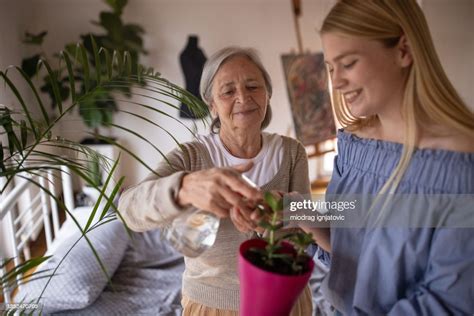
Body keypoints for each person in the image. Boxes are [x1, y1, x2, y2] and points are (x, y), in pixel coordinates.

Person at [301, 0, 474, 314]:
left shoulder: (461, 168)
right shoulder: (355, 146)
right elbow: (347, 238)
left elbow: (448, 304)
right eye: (330, 68)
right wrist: (289, 209)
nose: (336, 81)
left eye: (349, 63)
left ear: (404, 50)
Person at [118, 47, 313, 315]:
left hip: (287, 300)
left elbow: (309, 228)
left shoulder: (292, 152)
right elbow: (129, 209)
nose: (243, 98)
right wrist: (184, 189)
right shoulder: (190, 157)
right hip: (212, 306)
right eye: (228, 91)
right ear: (212, 104)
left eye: (253, 86)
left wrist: (283, 212)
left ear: (267, 93)